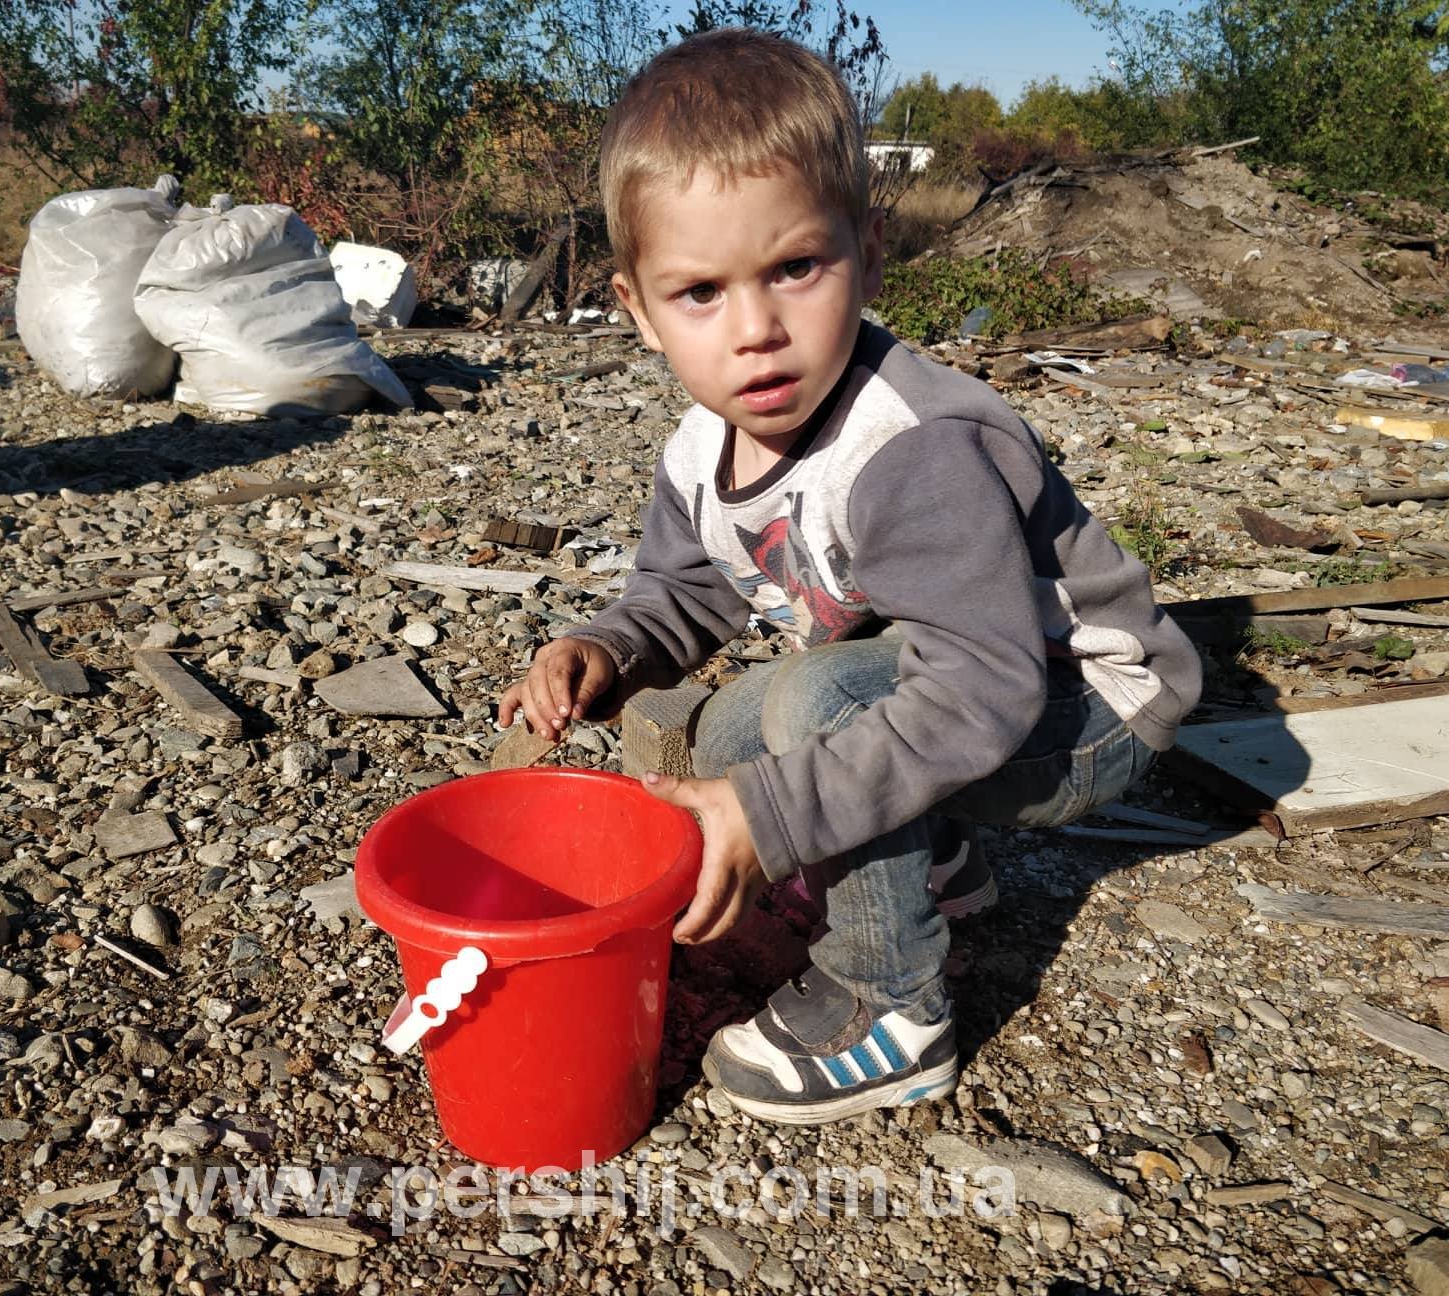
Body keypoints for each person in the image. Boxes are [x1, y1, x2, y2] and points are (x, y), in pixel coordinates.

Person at [496, 28, 1202, 1125]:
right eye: (700, 292)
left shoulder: (910, 446)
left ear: (867, 255)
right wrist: (610, 649)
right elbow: (690, 592)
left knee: (815, 708)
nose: (757, 332)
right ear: (637, 309)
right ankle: (934, 868)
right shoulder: (700, 452)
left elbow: (984, 689)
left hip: (1082, 705)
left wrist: (771, 818)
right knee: (739, 729)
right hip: (961, 681)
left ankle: (892, 1006)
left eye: (795, 268)